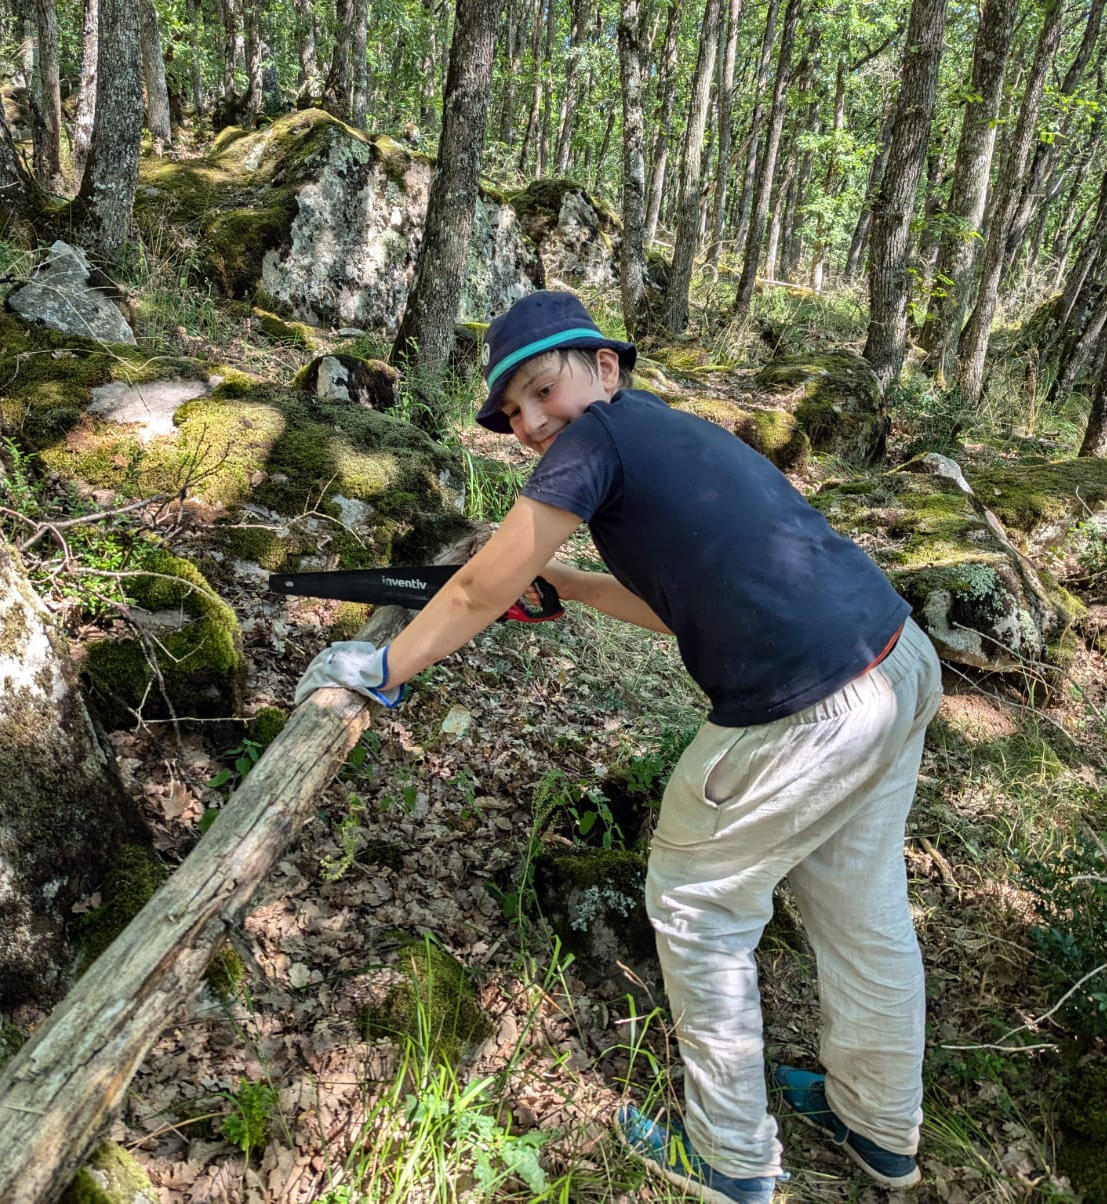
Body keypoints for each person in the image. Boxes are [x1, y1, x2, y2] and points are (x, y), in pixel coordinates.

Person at [294, 290, 942, 1202]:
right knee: (864, 912)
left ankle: (730, 1162)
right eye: (510, 414)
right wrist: (577, 586)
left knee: (697, 906)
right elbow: (678, 605)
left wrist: (384, 668)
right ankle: (880, 1128)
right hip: (895, 658)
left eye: (539, 390)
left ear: (605, 367)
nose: (527, 423)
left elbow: (479, 588)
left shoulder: (595, 439)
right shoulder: (670, 438)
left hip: (810, 707)